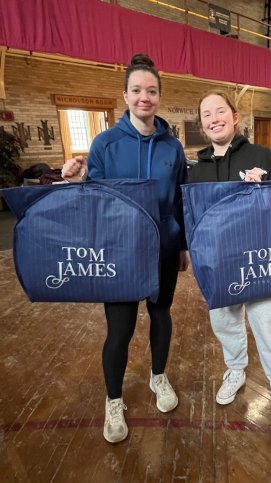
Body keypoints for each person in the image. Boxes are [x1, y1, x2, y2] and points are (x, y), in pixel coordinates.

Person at [61, 53, 189, 443]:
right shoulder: (105, 144)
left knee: (161, 314)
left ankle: (158, 377)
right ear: (126, 95)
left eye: (151, 90)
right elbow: (95, 196)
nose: (143, 97)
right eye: (136, 90)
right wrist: (78, 178)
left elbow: (181, 200)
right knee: (119, 331)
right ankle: (113, 401)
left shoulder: (173, 147)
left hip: (163, 250)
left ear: (159, 96)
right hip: (120, 252)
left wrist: (181, 245)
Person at [188, 89, 271, 442]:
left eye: (220, 111)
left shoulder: (261, 155)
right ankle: (235, 370)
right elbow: (193, 218)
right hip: (219, 264)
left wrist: (263, 188)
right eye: (207, 114)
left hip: (260, 262)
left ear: (235, 117)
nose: (214, 118)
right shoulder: (196, 169)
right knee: (225, 324)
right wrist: (194, 256)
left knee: (269, 330)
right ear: (202, 124)